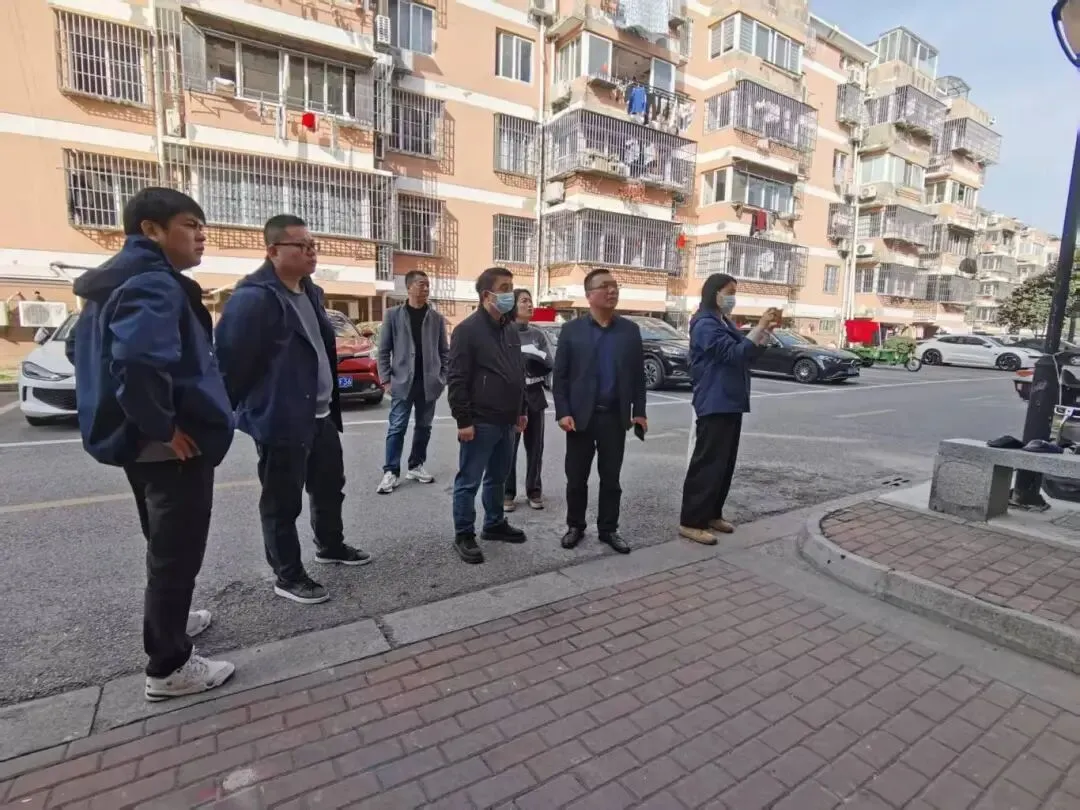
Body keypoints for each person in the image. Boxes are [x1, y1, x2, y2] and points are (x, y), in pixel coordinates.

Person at [67, 187, 236, 701]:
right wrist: (162, 425)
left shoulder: (111, 282)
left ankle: (173, 622)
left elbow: (80, 348)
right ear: (152, 230)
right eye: (190, 225)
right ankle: (170, 665)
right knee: (176, 554)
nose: (201, 236)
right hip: (169, 447)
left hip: (138, 443)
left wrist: (139, 419)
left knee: (163, 545)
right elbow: (138, 360)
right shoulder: (153, 282)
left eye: (202, 227)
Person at [215, 215, 370, 606]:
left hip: (320, 414)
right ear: (273, 251)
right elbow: (230, 365)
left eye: (313, 245)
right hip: (282, 420)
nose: (311, 252)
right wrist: (239, 415)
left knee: (329, 487)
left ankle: (330, 546)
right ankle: (288, 575)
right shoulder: (253, 299)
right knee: (282, 503)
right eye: (301, 246)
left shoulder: (311, 291)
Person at [679, 273, 780, 545]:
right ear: (714, 293)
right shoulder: (704, 323)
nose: (732, 298)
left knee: (723, 464)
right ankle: (691, 521)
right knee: (707, 463)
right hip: (714, 400)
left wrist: (765, 332)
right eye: (729, 292)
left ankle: (712, 514)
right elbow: (733, 354)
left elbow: (747, 354)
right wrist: (759, 327)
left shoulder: (723, 322)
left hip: (730, 400)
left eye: (735, 293)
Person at [552, 268, 647, 555]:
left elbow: (638, 376)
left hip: (614, 418)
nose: (612, 291)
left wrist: (640, 411)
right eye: (605, 286)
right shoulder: (572, 331)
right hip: (580, 418)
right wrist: (562, 412)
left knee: (611, 479)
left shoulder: (629, 331)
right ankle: (575, 526)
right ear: (589, 294)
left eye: (615, 286)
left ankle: (608, 529)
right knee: (576, 478)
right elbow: (561, 377)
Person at [447, 267, 529, 564]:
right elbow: (457, 379)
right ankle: (464, 533)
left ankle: (494, 524)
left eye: (511, 287)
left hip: (507, 419)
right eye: (504, 288)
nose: (511, 294)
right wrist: (464, 421)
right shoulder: (467, 330)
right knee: (469, 480)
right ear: (486, 295)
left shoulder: (509, 329)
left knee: (498, 477)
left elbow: (517, 372)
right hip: (480, 421)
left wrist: (521, 410)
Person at [376, 270, 449, 494]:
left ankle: (416, 465)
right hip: (402, 383)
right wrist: (386, 380)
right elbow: (383, 350)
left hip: (428, 384)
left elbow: (444, 352)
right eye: (421, 284)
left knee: (424, 427)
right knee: (397, 427)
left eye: (427, 285)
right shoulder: (393, 315)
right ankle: (391, 471)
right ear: (409, 287)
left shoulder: (436, 318)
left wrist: (442, 378)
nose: (425, 288)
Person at [504, 288, 554, 512]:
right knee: (509, 447)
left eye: (530, 300)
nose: (529, 304)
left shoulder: (537, 334)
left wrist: (535, 356)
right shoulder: (504, 332)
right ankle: (507, 492)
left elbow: (549, 363)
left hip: (534, 394)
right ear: (513, 306)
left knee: (535, 447)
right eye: (524, 301)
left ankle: (534, 490)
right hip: (511, 396)